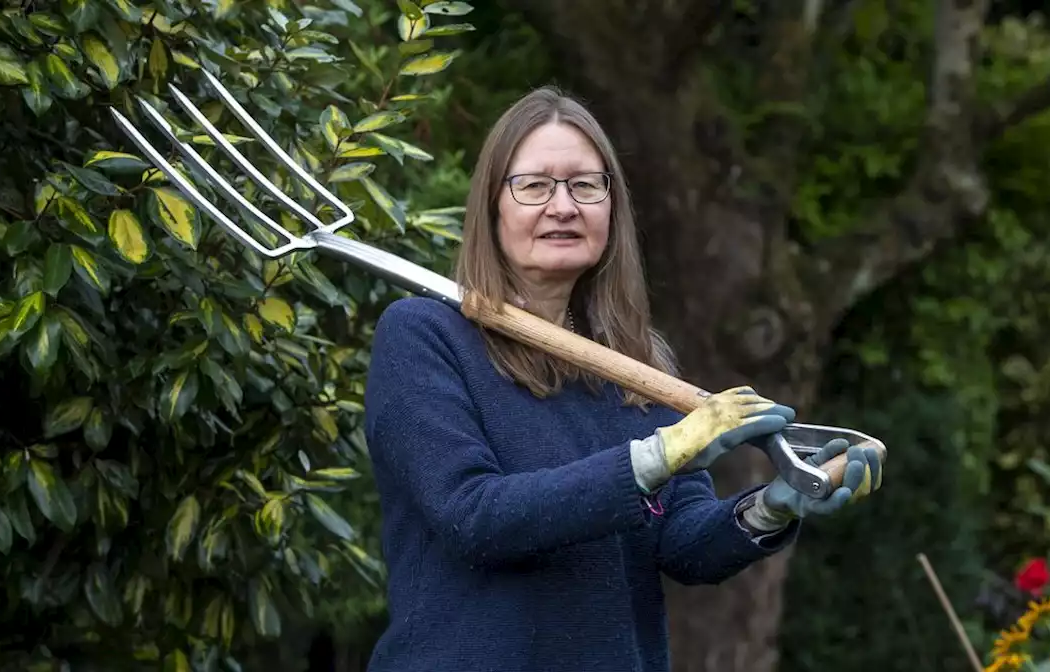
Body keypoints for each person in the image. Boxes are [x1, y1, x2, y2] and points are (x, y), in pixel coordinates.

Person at [361, 86, 884, 672]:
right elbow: (475, 517)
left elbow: (682, 545)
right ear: (492, 206)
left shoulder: (638, 368)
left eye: (586, 185)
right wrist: (654, 458)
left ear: (611, 208)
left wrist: (770, 507)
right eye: (534, 185)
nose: (563, 206)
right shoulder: (424, 337)